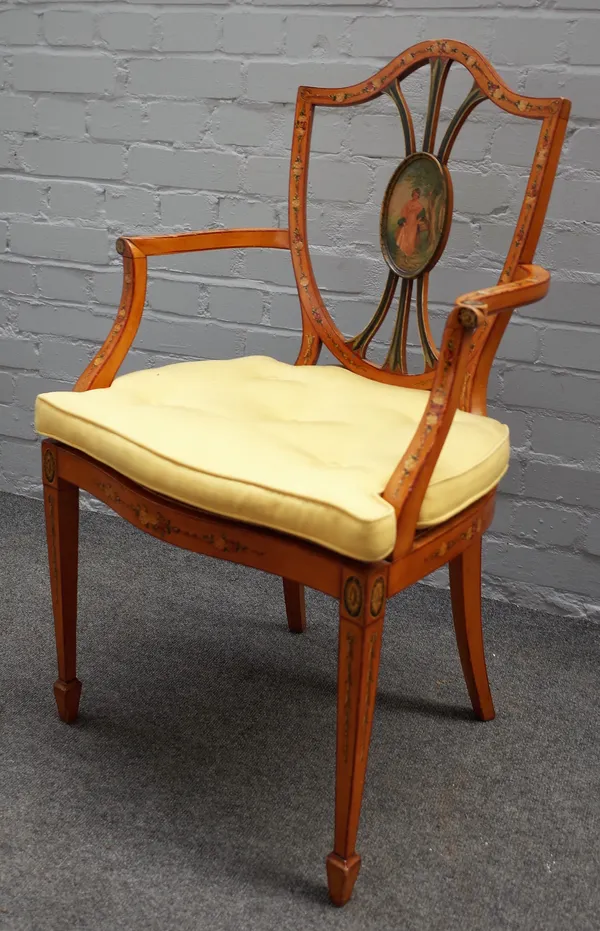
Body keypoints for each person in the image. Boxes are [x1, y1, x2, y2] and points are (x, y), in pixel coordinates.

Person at [395, 188, 427, 257]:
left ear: (418, 196)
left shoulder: (419, 205)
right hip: (407, 221)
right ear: (412, 195)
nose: (415, 196)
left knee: (411, 238)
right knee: (405, 235)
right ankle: (404, 251)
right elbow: (404, 212)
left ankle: (409, 252)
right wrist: (404, 221)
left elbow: (422, 214)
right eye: (414, 195)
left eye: (416, 195)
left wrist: (417, 221)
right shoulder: (408, 203)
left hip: (414, 222)